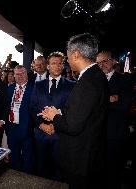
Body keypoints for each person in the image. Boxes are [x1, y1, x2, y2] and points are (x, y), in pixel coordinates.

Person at [40, 33, 109, 189]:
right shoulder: (96, 76)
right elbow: (84, 114)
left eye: (67, 56)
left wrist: (54, 116)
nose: (67, 61)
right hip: (90, 152)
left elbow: (72, 126)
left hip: (81, 157)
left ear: (76, 54)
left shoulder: (87, 82)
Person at [30, 51, 75, 180]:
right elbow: (32, 108)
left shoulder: (71, 85)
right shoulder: (38, 85)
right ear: (48, 66)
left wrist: (57, 125)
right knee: (41, 168)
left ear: (63, 66)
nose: (57, 66)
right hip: (41, 134)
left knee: (59, 170)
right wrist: (41, 124)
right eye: (53, 63)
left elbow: (71, 110)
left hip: (60, 135)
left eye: (60, 63)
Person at [97, 51, 133, 189]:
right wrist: (110, 99)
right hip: (97, 134)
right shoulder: (95, 80)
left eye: (105, 61)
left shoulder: (124, 80)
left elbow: (123, 106)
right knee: (98, 171)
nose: (102, 65)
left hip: (115, 134)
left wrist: (101, 101)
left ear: (112, 61)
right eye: (99, 63)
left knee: (113, 172)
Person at [5, 65, 35, 174]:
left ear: (26, 75)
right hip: (12, 130)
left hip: (27, 130)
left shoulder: (34, 88)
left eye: (22, 73)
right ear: (14, 76)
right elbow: (5, 109)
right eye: (17, 74)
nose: (20, 76)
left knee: (28, 161)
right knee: (14, 160)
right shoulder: (9, 89)